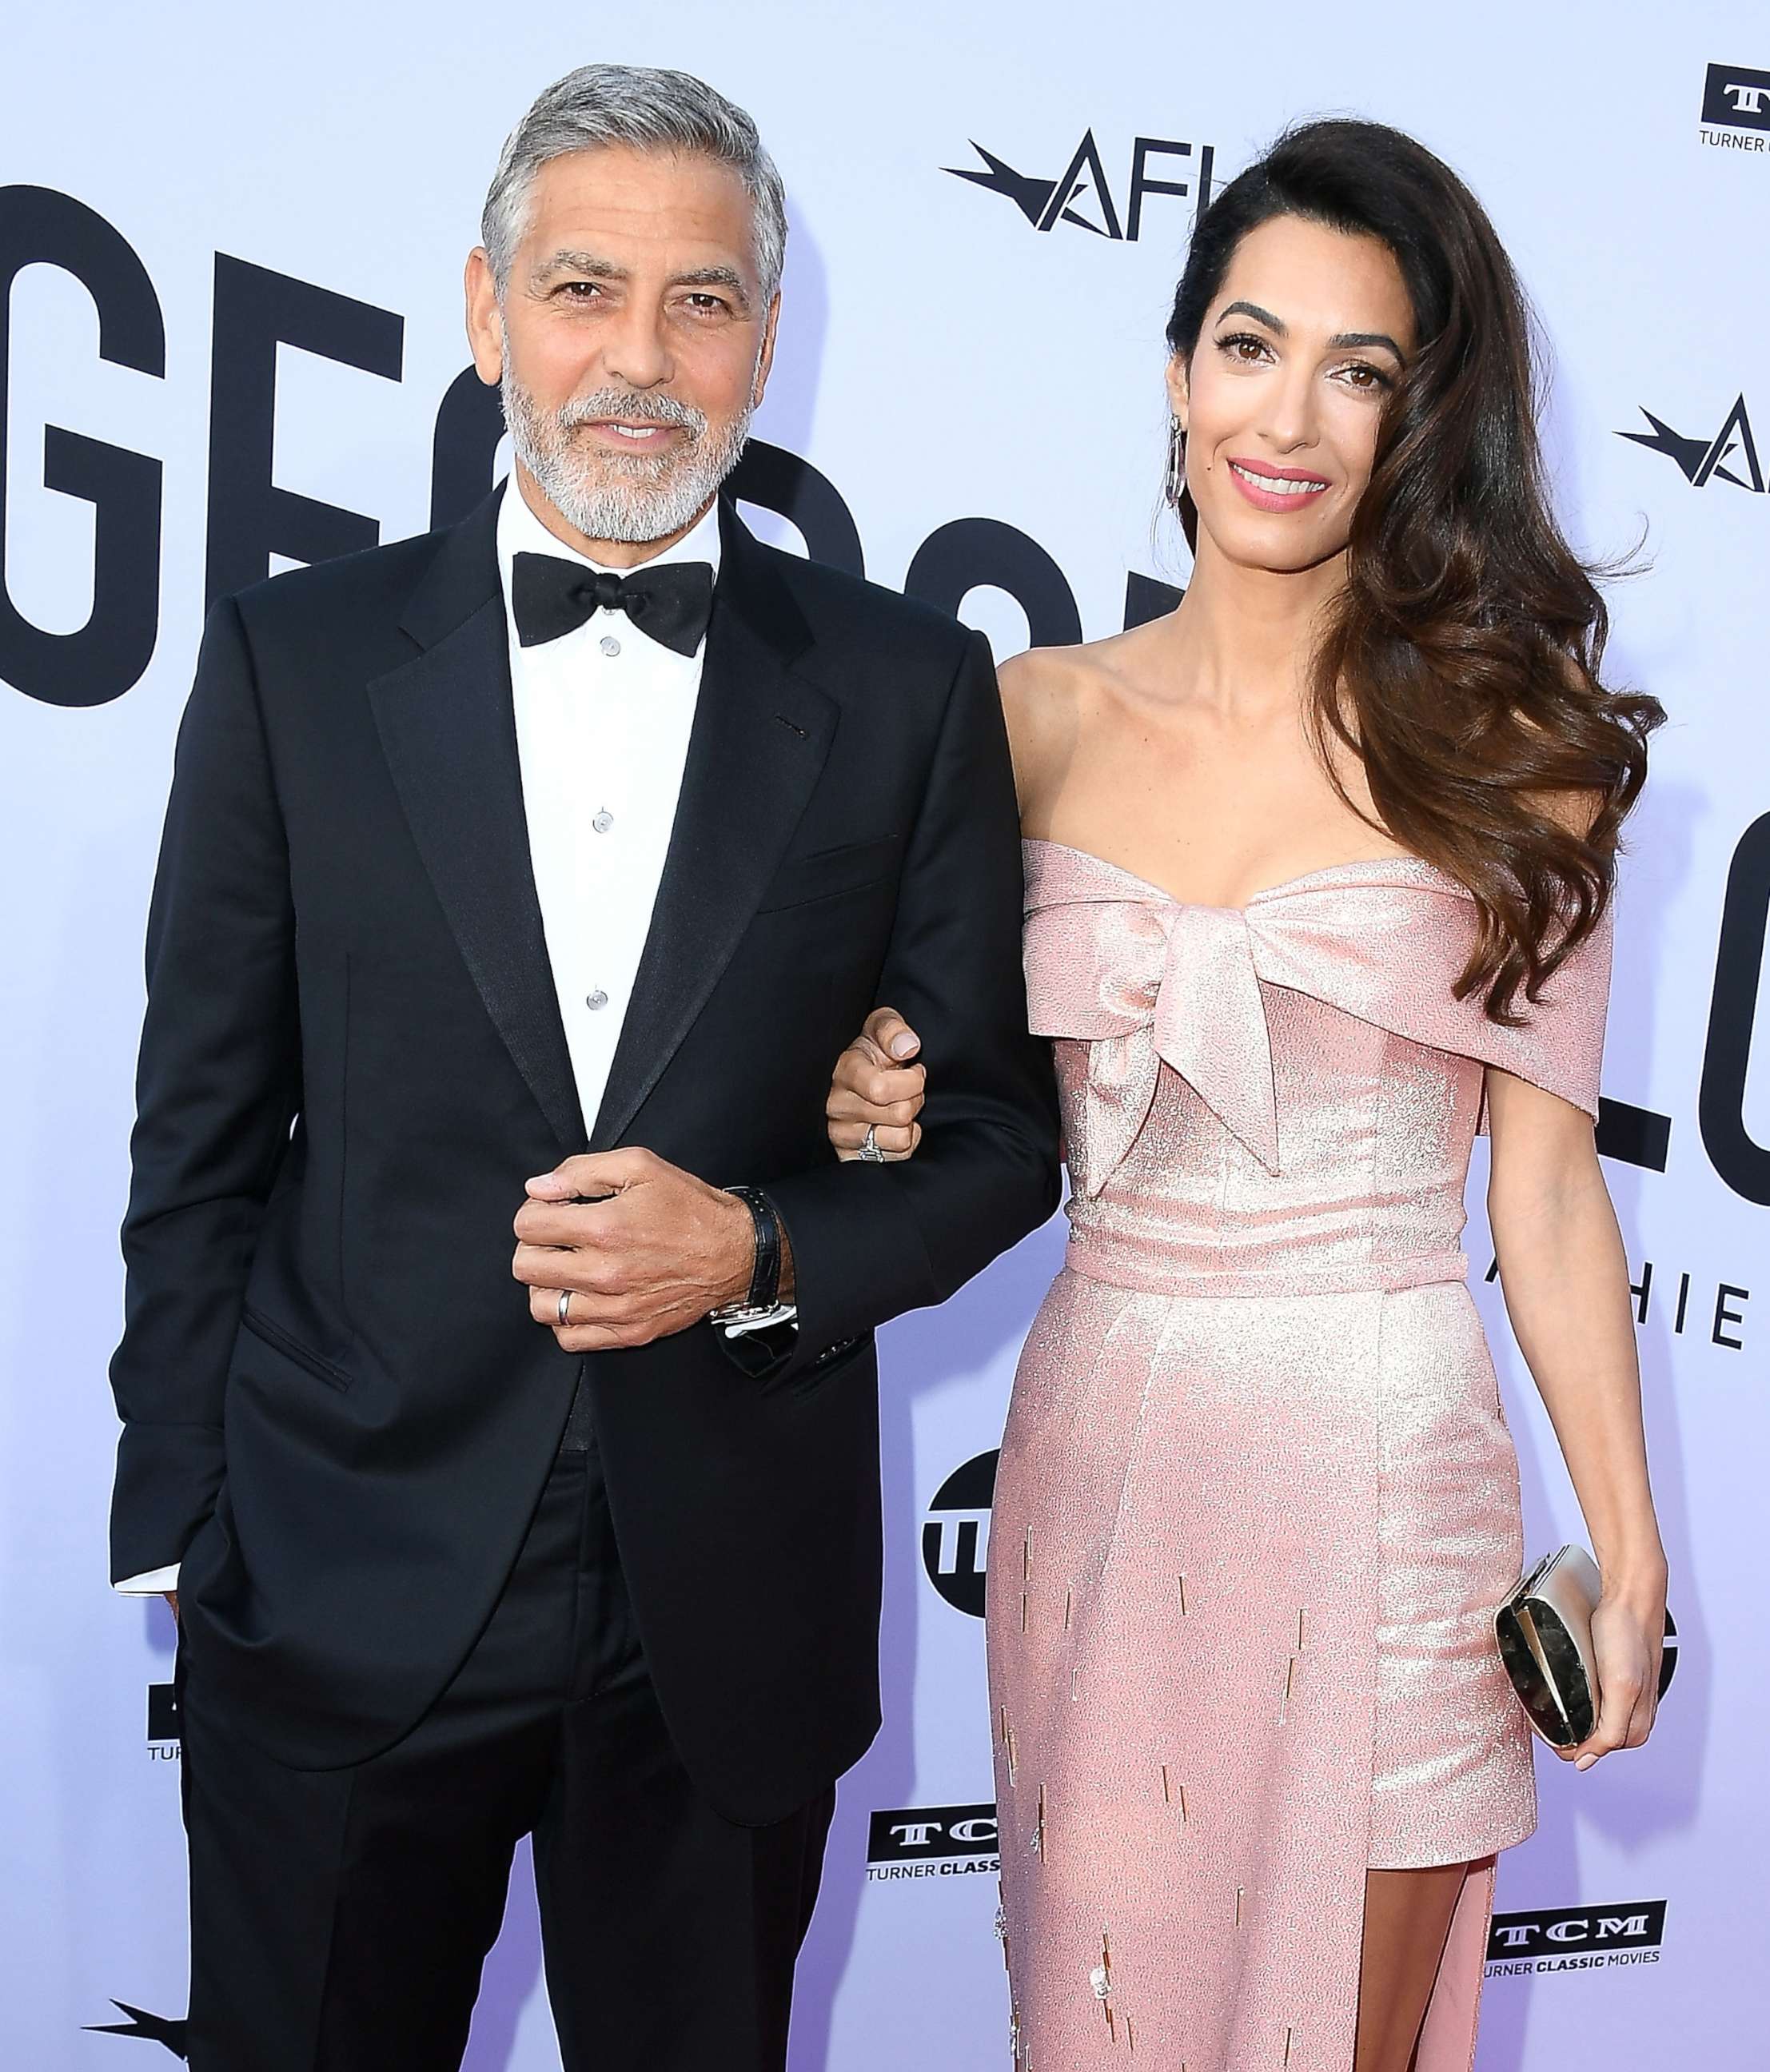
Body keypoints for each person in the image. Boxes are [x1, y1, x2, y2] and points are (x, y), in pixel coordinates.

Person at [106, 62, 1058, 2072]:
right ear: (482, 312)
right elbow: (197, 1136)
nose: (640, 359)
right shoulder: (297, 662)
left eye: (700, 301)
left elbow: (988, 1141)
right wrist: (186, 1525)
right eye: (582, 289)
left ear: (767, 343)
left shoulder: (903, 692)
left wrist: (761, 1247)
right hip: (340, 1586)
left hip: (722, 1618)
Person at [826, 119, 1666, 2072]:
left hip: (1388, 1478)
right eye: (1248, 345)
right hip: (1108, 1465)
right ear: (1177, 370)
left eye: (1360, 369)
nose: (1288, 415)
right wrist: (873, 1087)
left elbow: (1542, 1201)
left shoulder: (1516, 753)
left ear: (1420, 418)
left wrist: (1628, 1564)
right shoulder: (1022, 718)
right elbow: (928, 1100)